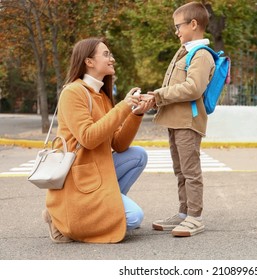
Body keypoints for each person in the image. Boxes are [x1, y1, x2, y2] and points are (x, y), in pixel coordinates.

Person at [42, 37, 155, 243]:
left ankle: (104, 206)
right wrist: (123, 106)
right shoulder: (73, 92)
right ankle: (60, 218)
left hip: (98, 170)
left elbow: (119, 144)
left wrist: (136, 114)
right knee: (133, 218)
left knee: (138, 155)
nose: (111, 59)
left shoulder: (102, 96)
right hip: (79, 176)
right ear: (89, 62)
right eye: (106, 54)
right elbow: (88, 139)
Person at [147, 1, 215, 237]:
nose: (176, 32)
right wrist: (155, 97)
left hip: (188, 122)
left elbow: (193, 88)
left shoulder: (202, 54)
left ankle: (195, 216)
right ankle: (184, 213)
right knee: (180, 171)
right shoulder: (185, 51)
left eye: (178, 26)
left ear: (193, 24)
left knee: (190, 171)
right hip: (175, 120)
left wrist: (158, 95)